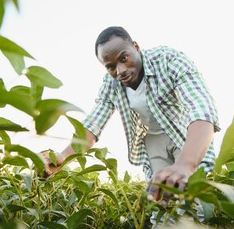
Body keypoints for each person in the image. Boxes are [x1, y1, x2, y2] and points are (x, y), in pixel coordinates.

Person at [41, 26, 220, 208]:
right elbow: (94, 122)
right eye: (110, 67)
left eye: (123, 58)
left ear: (135, 47)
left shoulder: (168, 59)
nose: (120, 71)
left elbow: (201, 108)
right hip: (153, 142)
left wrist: (186, 163)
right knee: (162, 206)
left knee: (196, 203)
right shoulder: (111, 83)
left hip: (187, 136)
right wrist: (64, 156)